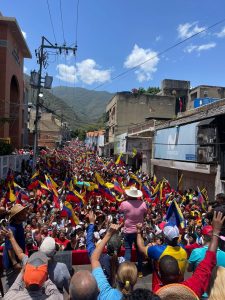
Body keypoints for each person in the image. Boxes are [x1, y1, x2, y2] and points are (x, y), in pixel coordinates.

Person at [155, 211, 225, 299]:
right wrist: (216, 232)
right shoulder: (193, 287)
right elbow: (209, 259)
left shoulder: (154, 294)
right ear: (180, 273)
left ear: (159, 275)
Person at [2, 230, 71, 294]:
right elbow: (70, 291)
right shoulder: (62, 267)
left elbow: (19, 253)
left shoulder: (29, 262)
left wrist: (11, 238)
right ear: (55, 253)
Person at [91, 224, 138, 299]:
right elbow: (128, 251)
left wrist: (108, 234)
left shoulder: (106, 294)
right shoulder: (142, 296)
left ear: (107, 247)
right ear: (135, 280)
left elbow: (94, 258)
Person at [136, 223, 187, 292]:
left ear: (164, 236)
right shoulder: (183, 248)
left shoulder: (158, 250)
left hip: (161, 289)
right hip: (179, 288)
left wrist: (139, 232)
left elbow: (141, 248)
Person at [86, 211, 124, 287]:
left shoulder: (97, 258)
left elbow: (89, 242)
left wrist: (91, 223)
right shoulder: (124, 263)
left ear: (106, 246)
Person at [119, 186, 147, 277]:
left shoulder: (124, 204)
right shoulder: (143, 204)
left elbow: (120, 211)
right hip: (139, 231)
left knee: (128, 250)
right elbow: (145, 213)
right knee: (139, 251)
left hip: (128, 231)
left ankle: (127, 272)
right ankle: (140, 271)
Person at [3, 204, 28, 291]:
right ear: (17, 216)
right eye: (22, 213)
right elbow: (9, 248)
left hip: (18, 260)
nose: (25, 214)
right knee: (10, 285)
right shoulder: (11, 229)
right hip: (12, 264)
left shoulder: (19, 225)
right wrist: (14, 263)